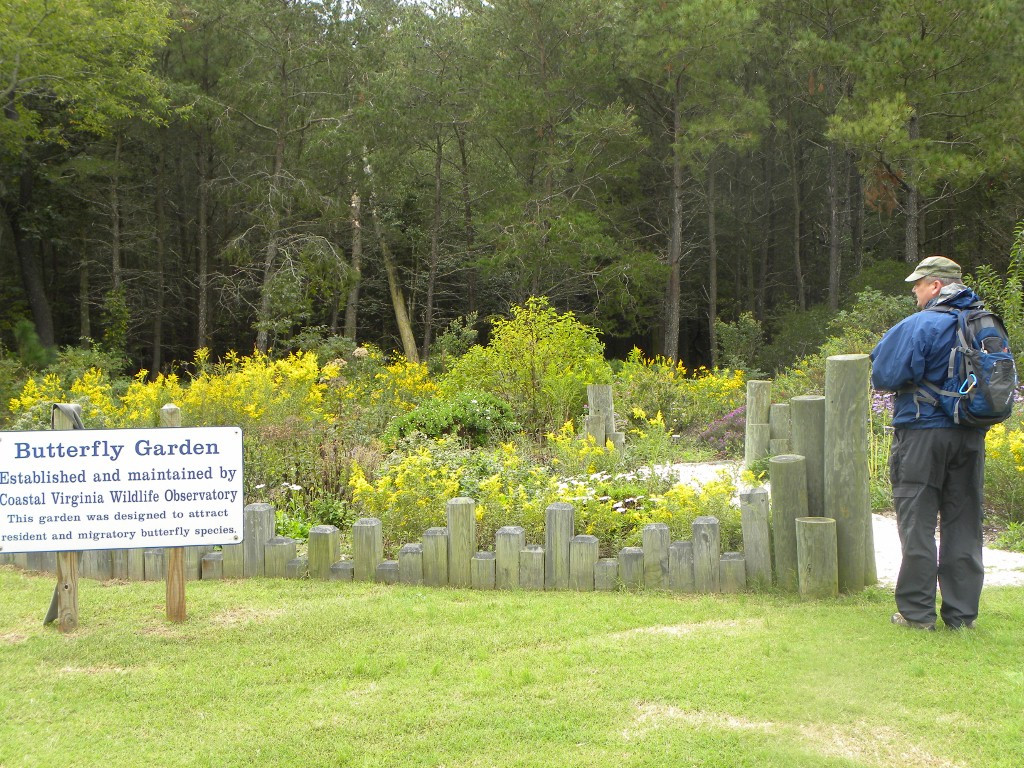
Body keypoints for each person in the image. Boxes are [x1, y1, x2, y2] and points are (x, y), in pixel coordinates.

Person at [870, 255, 986, 631]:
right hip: (970, 434)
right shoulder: (985, 324)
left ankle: (917, 616)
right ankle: (961, 617)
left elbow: (884, 374)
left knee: (917, 523)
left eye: (918, 285)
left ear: (936, 285)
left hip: (922, 433)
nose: (915, 292)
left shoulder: (920, 325)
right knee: (964, 523)